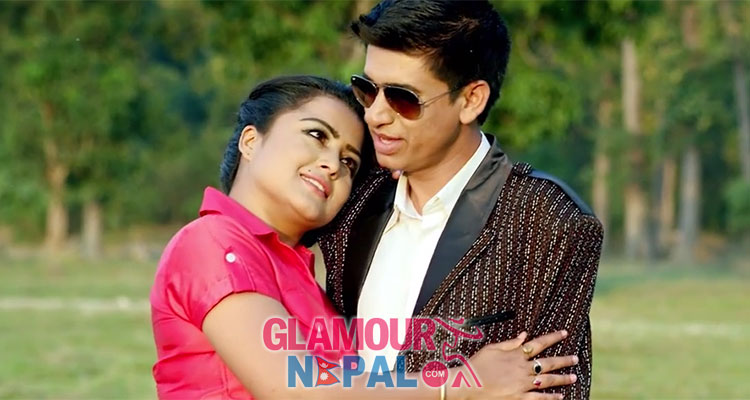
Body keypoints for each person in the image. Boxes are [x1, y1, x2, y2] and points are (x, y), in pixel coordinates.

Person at [150, 75, 579, 400]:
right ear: (250, 140)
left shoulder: (303, 276)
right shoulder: (212, 242)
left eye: (349, 162)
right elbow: (292, 387)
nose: (332, 165)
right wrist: (461, 384)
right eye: (316, 135)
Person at [316, 1, 604, 398]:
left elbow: (554, 391)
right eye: (367, 90)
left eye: (402, 98)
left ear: (471, 100)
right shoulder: (352, 196)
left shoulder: (547, 221)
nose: (375, 115)